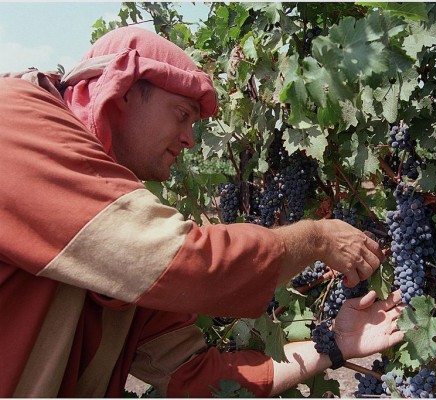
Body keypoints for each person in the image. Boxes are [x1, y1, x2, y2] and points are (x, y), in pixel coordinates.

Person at [0, 26, 405, 397]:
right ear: (121, 89)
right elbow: (192, 261)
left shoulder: (119, 243)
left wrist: (337, 342)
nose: (189, 140)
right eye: (182, 116)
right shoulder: (16, 121)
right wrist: (316, 238)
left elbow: (193, 374)